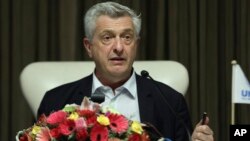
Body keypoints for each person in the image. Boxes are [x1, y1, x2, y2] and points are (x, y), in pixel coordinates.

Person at [38, 1, 214, 141]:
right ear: (89, 47)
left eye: (127, 37)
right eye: (107, 38)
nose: (119, 47)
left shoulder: (170, 102)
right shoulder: (55, 101)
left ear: (136, 45)